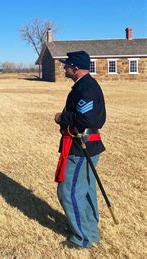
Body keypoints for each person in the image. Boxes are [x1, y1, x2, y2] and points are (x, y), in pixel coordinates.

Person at [54, 50, 106, 248]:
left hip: (82, 148)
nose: (64, 68)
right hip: (84, 146)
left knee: (68, 191)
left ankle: (82, 237)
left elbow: (89, 119)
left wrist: (62, 118)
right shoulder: (84, 86)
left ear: (75, 68)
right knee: (84, 191)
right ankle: (89, 231)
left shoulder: (86, 88)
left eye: (66, 65)